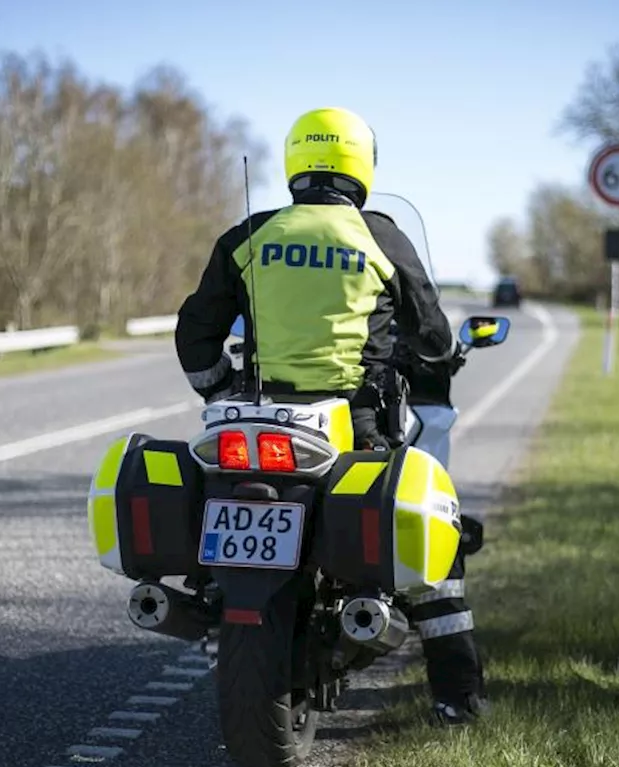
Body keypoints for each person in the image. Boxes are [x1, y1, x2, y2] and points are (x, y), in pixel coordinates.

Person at [174, 106, 488, 725]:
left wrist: (216, 390)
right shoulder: (379, 235)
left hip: (256, 419)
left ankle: (217, 599)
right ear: (360, 164)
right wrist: (438, 354)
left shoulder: (250, 234)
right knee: (433, 536)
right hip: (354, 424)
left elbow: (196, 332)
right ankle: (459, 697)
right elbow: (429, 332)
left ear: (296, 162)